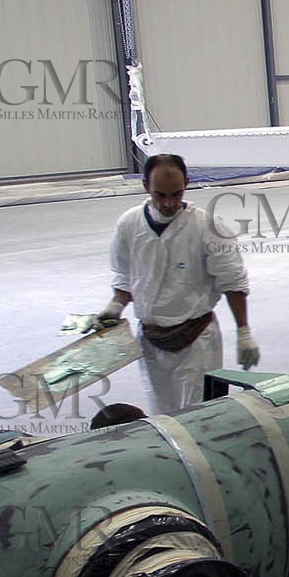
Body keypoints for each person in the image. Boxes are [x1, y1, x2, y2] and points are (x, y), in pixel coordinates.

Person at [90, 154, 258, 415]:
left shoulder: (209, 227)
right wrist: (116, 305)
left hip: (196, 341)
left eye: (176, 194)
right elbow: (125, 274)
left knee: (198, 415)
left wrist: (243, 332)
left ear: (187, 184)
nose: (168, 203)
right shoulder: (129, 224)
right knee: (162, 413)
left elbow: (232, 280)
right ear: (146, 186)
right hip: (151, 340)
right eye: (160, 195)